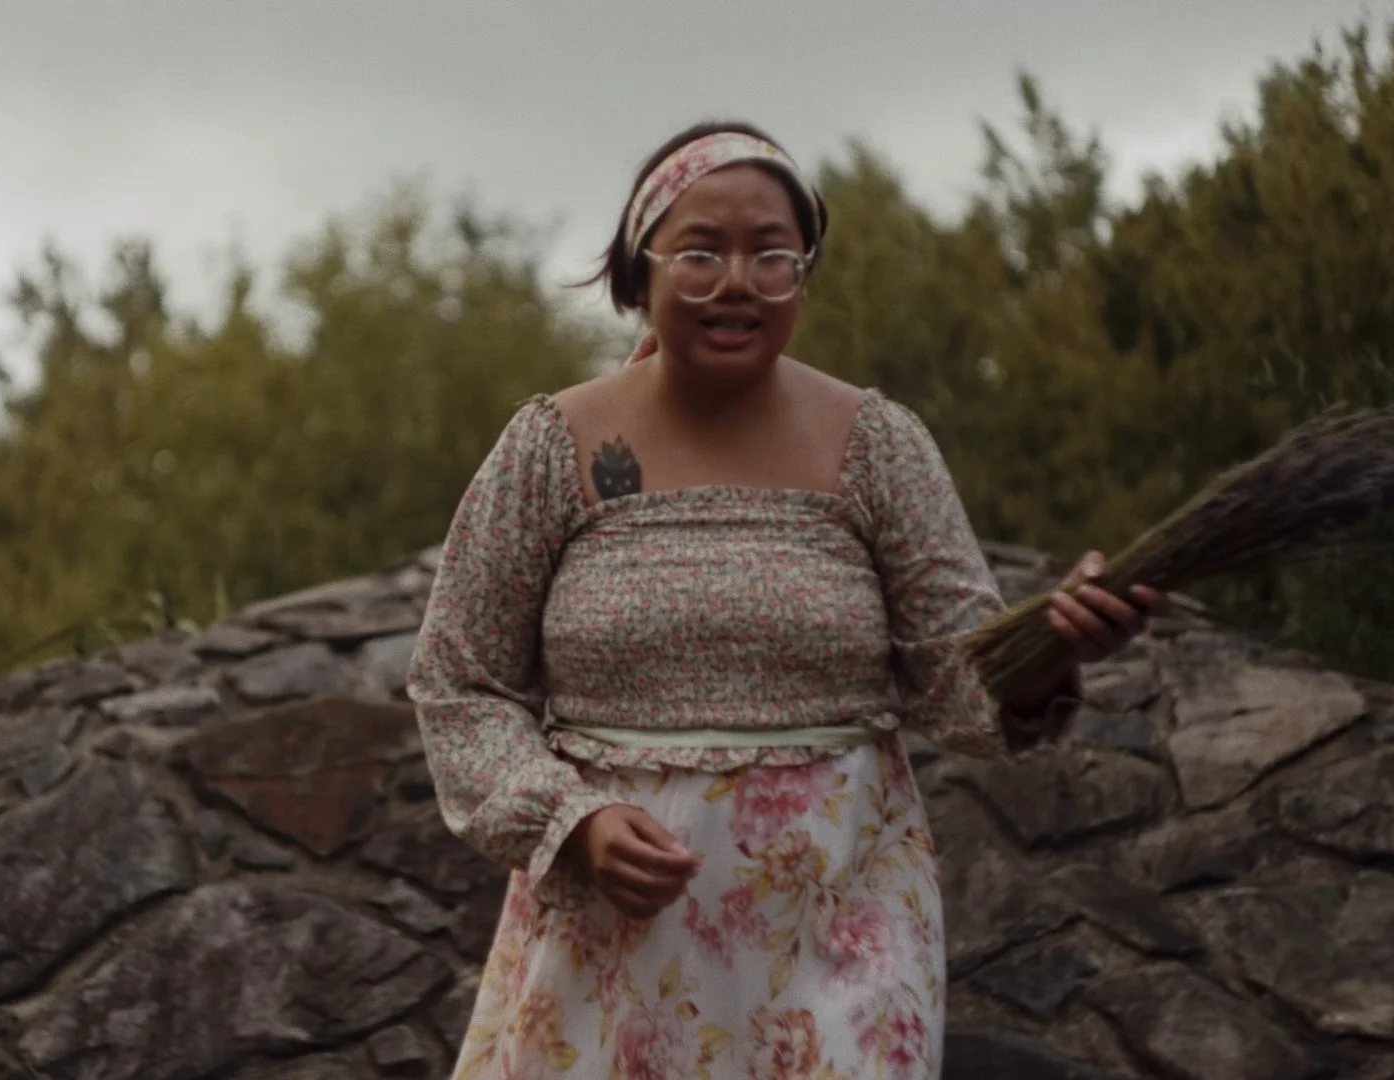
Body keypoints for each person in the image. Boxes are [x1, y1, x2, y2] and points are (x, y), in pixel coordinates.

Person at [406, 120, 1170, 1080]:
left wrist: (1053, 644)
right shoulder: (552, 448)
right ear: (639, 273)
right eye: (700, 252)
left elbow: (958, 687)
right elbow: (459, 683)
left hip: (840, 921)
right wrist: (571, 822)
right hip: (612, 941)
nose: (737, 282)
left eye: (772, 254)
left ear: (803, 276)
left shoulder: (878, 445)